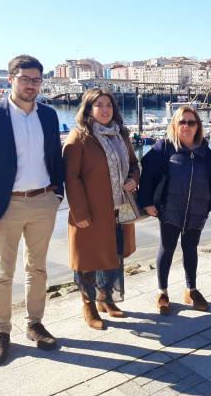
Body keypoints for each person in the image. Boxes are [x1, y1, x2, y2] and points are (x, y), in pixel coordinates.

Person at [0, 55, 65, 366]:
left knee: (37, 268)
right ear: (10, 79)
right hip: (5, 205)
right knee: (2, 272)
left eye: (36, 80)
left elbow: (55, 157)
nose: (31, 85)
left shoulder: (49, 116)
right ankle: (1, 332)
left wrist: (58, 193)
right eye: (25, 79)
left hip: (42, 201)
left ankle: (34, 324)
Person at [63, 88, 140, 330]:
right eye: (99, 105)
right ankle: (88, 306)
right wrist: (80, 214)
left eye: (109, 105)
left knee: (113, 256)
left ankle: (106, 299)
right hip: (90, 212)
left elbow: (134, 164)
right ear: (88, 109)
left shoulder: (121, 135)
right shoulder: (79, 137)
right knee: (88, 260)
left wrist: (133, 180)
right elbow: (71, 178)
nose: (105, 109)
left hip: (119, 210)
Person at [139, 106, 211, 315]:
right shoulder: (164, 147)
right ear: (174, 124)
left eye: (191, 122)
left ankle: (191, 289)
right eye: (182, 122)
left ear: (198, 126)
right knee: (167, 249)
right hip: (169, 210)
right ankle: (162, 292)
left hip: (197, 211)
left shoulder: (206, 152)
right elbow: (146, 173)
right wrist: (147, 202)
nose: (186, 126)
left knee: (191, 250)